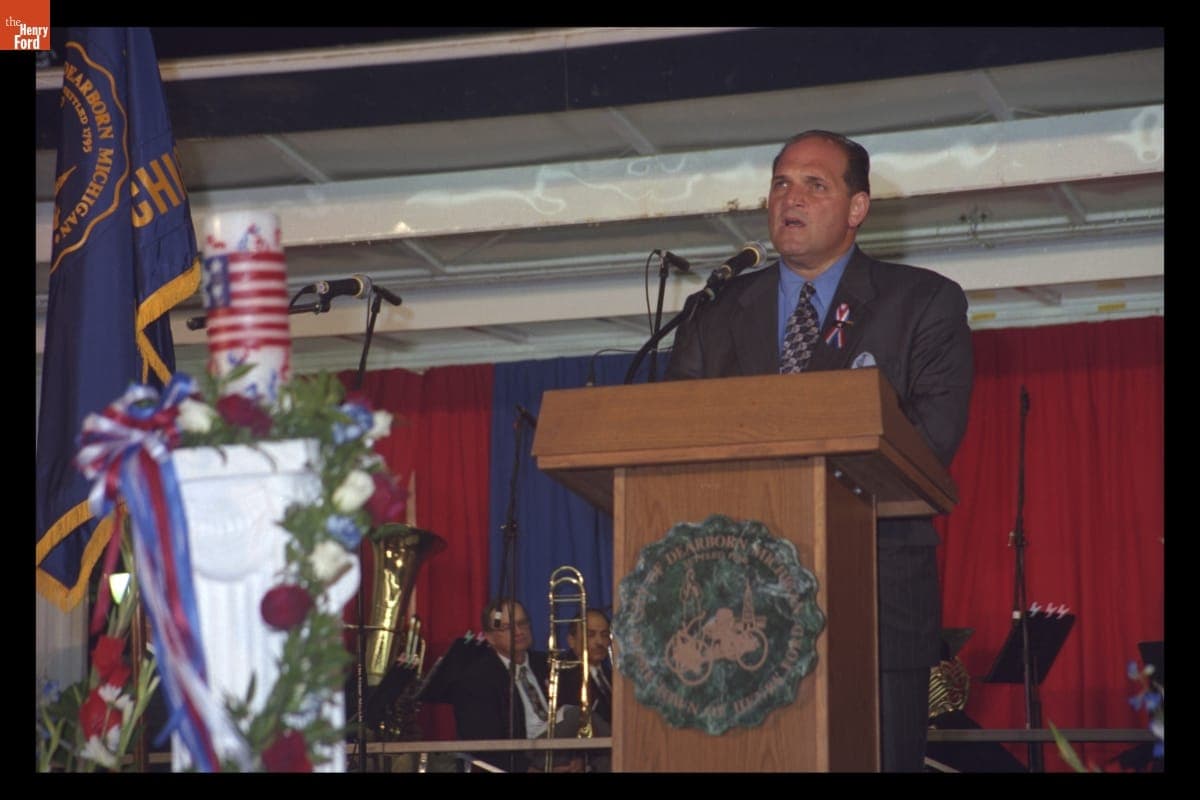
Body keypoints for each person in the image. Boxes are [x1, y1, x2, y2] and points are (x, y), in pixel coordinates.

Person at [665, 129, 974, 772]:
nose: (790, 197)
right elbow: (675, 437)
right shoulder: (716, 312)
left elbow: (930, 442)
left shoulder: (923, 301)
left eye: (814, 183)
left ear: (857, 208)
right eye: (780, 182)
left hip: (875, 597)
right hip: (737, 609)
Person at [442, 598, 584, 773]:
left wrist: (578, 759)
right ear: (489, 637)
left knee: (582, 715)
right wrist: (530, 770)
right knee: (577, 716)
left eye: (522, 623)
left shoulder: (548, 663)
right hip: (520, 759)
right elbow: (483, 744)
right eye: (508, 628)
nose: (519, 631)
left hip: (559, 748)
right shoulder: (475, 680)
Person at [553, 608, 615, 771]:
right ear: (571, 640)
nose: (599, 642)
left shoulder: (615, 677)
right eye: (590, 634)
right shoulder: (562, 674)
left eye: (604, 635)